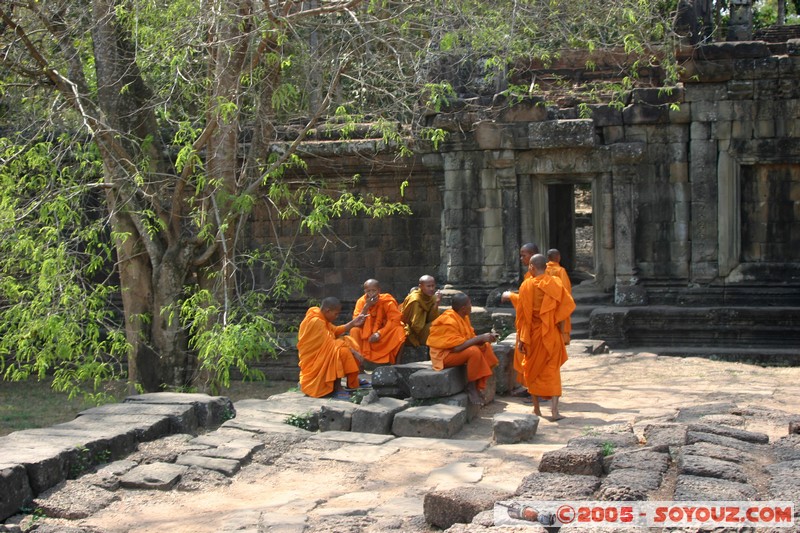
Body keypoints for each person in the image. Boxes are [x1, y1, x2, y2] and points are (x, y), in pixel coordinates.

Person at [517, 254, 575, 421]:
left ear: (532, 267)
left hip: (532, 335)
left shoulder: (526, 285)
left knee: (532, 370)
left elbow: (523, 316)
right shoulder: (555, 283)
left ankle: (536, 409)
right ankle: (554, 411)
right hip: (551, 334)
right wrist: (556, 324)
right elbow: (567, 306)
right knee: (553, 371)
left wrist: (521, 338)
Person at [426, 292, 499, 405]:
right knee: (474, 352)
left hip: (456, 351)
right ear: (463, 308)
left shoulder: (463, 317)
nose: (471, 306)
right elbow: (456, 348)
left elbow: (468, 338)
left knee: (485, 347)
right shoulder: (448, 320)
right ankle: (471, 387)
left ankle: (478, 385)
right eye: (470, 304)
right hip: (444, 356)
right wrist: (480, 338)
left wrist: (485, 339)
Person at [297, 297, 366, 399]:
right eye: (336, 314)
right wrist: (354, 352)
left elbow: (335, 330)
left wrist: (353, 323)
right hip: (315, 361)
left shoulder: (321, 317)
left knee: (348, 341)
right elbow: (331, 344)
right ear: (327, 311)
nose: (336, 317)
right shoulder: (316, 321)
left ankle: (352, 380)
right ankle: (337, 387)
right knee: (340, 351)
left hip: (322, 354)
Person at [501, 242, 539, 397]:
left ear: (533, 256)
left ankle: (539, 392)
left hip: (537, 327)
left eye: (524, 255)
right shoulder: (530, 276)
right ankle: (530, 387)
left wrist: (511, 296)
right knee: (526, 357)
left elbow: (530, 303)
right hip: (527, 325)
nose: (521, 258)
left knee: (536, 359)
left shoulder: (543, 277)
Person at [349, 279, 407, 365]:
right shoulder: (361, 302)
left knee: (400, 330)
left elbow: (394, 320)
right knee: (354, 330)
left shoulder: (387, 300)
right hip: (366, 336)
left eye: (374, 290)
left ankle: (397, 364)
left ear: (379, 290)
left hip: (383, 333)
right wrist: (366, 307)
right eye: (368, 291)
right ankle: (359, 365)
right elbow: (356, 322)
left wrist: (379, 333)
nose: (371, 294)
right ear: (365, 291)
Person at [401, 275, 441, 348]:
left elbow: (432, 318)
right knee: (440, 326)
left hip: (425, 327)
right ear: (421, 286)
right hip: (414, 333)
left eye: (433, 286)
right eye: (428, 286)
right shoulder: (415, 300)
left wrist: (436, 304)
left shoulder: (432, 297)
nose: (431, 289)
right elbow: (416, 326)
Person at [546, 248, 573, 345]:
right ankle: (562, 340)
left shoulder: (543, 269)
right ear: (558, 258)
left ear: (548, 258)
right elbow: (566, 288)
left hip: (547, 303)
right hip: (559, 302)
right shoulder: (560, 270)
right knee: (561, 321)